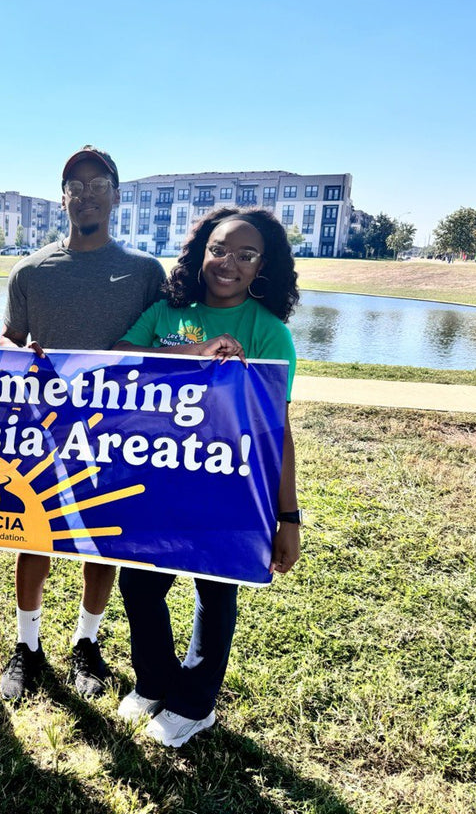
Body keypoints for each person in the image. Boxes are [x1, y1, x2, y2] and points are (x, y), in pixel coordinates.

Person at [112, 206, 302, 747]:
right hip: (159, 481)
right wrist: (193, 351)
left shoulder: (270, 334)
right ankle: (154, 681)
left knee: (214, 593)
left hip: (227, 490)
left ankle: (196, 705)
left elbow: (278, 431)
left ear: (262, 267)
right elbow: (119, 357)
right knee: (139, 583)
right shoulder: (167, 313)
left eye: (246, 255)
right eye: (219, 249)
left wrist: (288, 516)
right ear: (201, 253)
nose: (229, 263)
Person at [0, 146, 165, 700]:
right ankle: (27, 645)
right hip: (39, 425)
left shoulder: (145, 272)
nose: (87, 192)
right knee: (33, 532)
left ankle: (87, 643)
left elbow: (160, 346)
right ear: (63, 196)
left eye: (99, 183)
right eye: (77, 184)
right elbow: (9, 340)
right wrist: (17, 356)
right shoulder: (30, 270)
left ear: (116, 197)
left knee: (102, 538)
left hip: (114, 430)